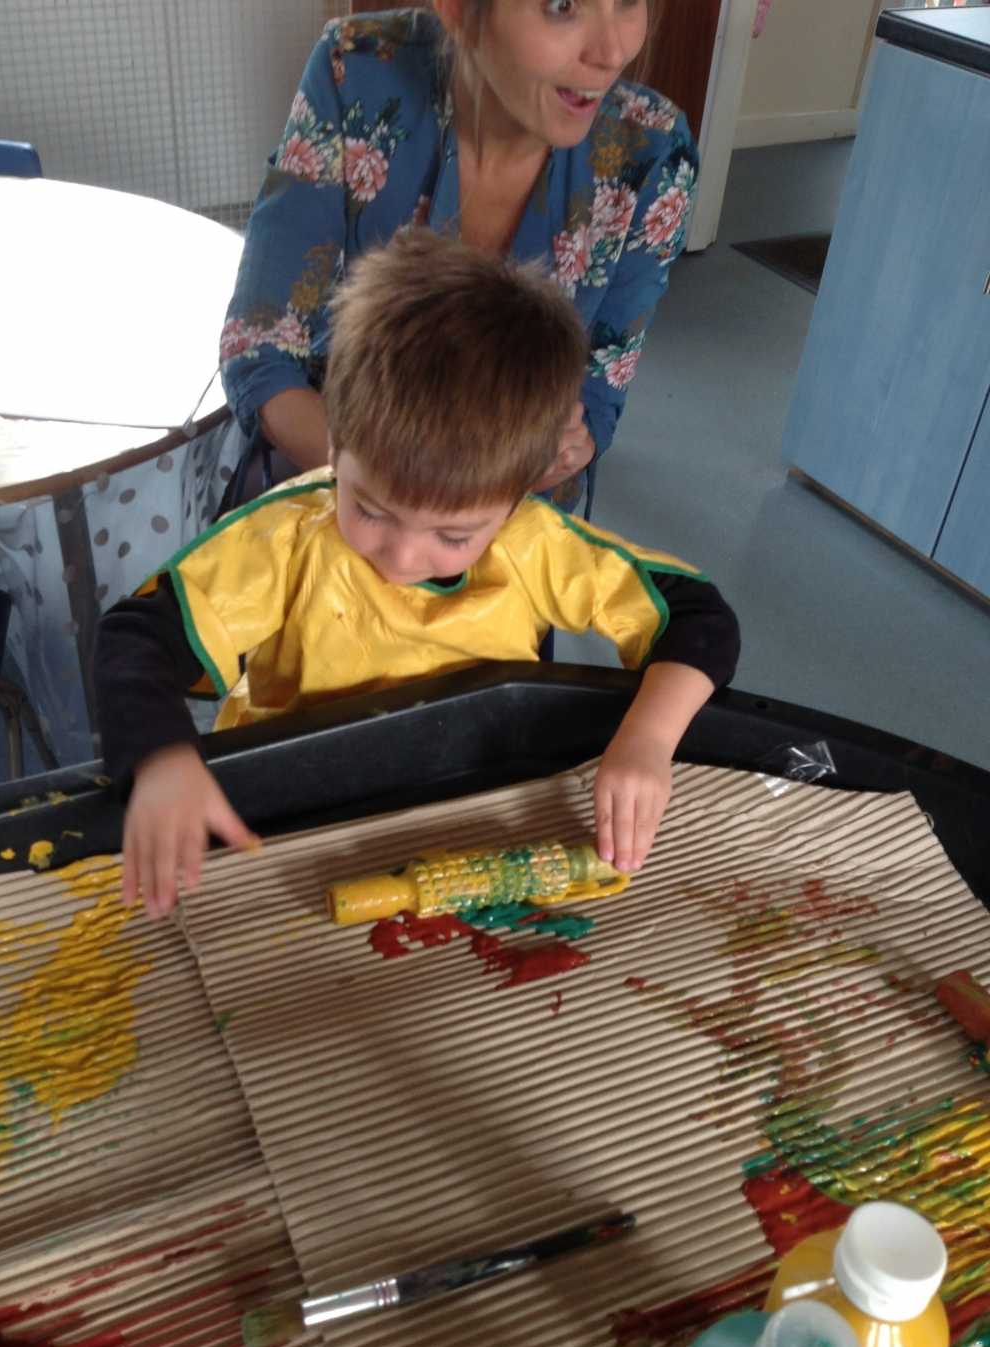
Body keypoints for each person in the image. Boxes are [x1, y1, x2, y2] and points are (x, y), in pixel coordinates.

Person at [97, 232, 738, 917]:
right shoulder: (286, 540)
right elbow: (137, 639)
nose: (400, 558)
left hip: (470, 801)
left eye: (453, 536)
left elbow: (696, 618)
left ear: (518, 495)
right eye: (370, 509)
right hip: (292, 812)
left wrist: (647, 741)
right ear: (337, 445)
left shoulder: (532, 543)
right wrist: (162, 758)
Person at [221, 0, 699, 514]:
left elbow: (598, 392)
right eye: (563, 6)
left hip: (505, 511)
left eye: (628, 2)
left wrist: (568, 444)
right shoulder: (357, 68)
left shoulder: (652, 151)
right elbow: (261, 351)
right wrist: (388, 495)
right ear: (456, 9)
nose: (612, 52)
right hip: (329, 475)